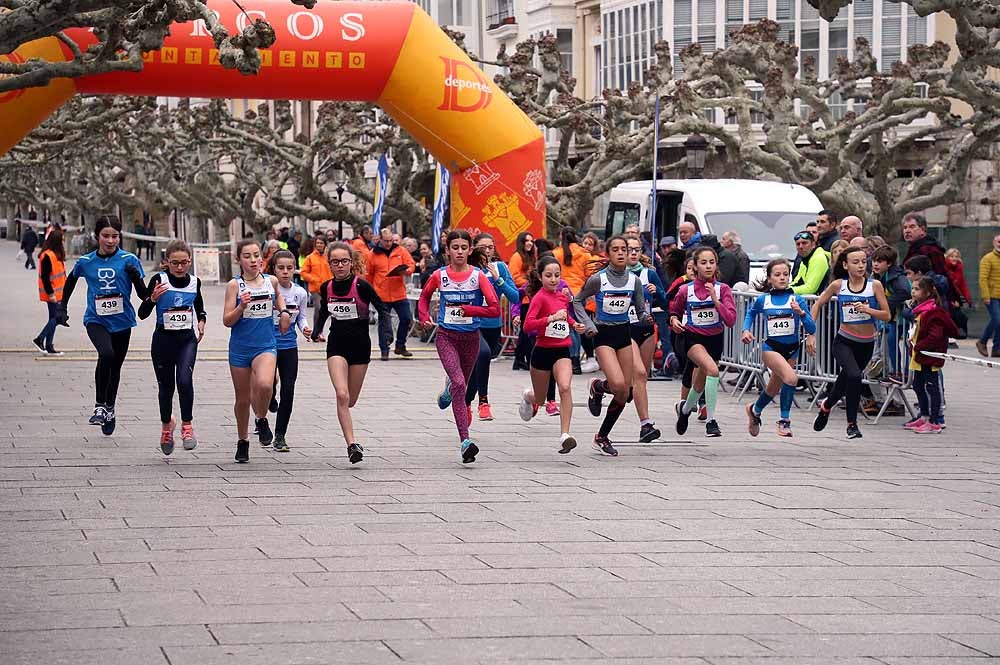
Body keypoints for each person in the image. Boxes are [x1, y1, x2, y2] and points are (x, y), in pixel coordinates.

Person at [57, 215, 147, 436]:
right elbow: (70, 281)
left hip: (123, 321)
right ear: (97, 236)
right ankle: (99, 405)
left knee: (114, 366)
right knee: (106, 354)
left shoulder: (129, 260)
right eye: (106, 236)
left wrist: (136, 278)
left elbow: (144, 295)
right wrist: (62, 308)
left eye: (115, 236)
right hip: (96, 320)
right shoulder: (86, 262)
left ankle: (110, 409)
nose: (110, 241)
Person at [417, 230, 501, 463]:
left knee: (457, 387)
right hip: (447, 337)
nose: (460, 251)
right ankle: (465, 441)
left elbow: (494, 308)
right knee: (460, 383)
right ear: (448, 251)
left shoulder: (478, 276)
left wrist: (471, 310)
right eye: (455, 247)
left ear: (470, 250)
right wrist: (424, 316)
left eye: (464, 247)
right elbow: (424, 298)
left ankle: (447, 393)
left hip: (470, 338)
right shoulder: (439, 275)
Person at [573, 235, 651, 456]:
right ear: (607, 254)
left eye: (623, 250)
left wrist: (646, 317)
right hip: (603, 334)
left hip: (624, 334)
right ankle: (599, 386)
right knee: (617, 384)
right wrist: (588, 323)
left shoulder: (634, 281)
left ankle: (602, 436)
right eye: (615, 249)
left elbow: (639, 308)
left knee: (624, 393)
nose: (620, 253)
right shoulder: (598, 279)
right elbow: (577, 301)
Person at [810, 247, 891, 439]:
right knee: (854, 375)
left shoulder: (875, 286)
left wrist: (868, 310)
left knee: (844, 382)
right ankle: (852, 424)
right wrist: (811, 333)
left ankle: (826, 406)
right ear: (845, 265)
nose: (861, 265)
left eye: (863, 261)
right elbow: (818, 304)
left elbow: (887, 315)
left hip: (866, 344)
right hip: (844, 341)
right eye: (856, 262)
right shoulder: (838, 285)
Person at [312, 242, 382, 463]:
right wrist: (317, 330)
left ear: (351, 263)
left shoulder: (362, 286)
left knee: (350, 400)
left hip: (361, 347)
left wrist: (387, 336)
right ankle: (352, 445)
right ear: (330, 264)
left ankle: (351, 437)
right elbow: (324, 309)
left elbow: (383, 308)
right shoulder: (327, 287)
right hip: (336, 346)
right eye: (335, 262)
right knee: (341, 395)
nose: (340, 265)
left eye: (344, 261)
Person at [223, 239, 291, 463]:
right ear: (239, 260)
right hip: (241, 349)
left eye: (256, 255)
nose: (253, 260)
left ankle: (261, 418)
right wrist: (241, 306)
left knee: (265, 384)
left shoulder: (270, 281)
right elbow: (227, 321)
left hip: (265, 345)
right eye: (247, 256)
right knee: (242, 400)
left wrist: (283, 312)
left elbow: (278, 296)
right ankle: (242, 441)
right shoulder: (235, 285)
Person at [137, 240, 206, 455]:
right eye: (174, 263)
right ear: (167, 262)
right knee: (166, 388)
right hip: (163, 341)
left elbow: (200, 307)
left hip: (186, 340)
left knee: (184, 381)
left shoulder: (195, 282)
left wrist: (202, 321)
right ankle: (167, 427)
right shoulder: (159, 279)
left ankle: (187, 427)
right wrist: (152, 299)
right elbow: (142, 313)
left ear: (190, 261)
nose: (179, 267)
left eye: (184, 262)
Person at [446, 232, 519, 422]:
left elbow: (515, 297)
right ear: (474, 249)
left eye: (491, 247)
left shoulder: (500, 267)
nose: (487, 251)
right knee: (483, 354)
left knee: (478, 365)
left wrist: (499, 280)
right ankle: (483, 402)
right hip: (471, 324)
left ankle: (466, 401)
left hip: (493, 325)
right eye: (483, 247)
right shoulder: (467, 270)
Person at [517, 255, 586, 453]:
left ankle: (565, 434)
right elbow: (528, 325)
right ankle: (528, 396)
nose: (553, 279)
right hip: (542, 351)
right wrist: (550, 318)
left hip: (562, 349)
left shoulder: (563, 296)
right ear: (540, 277)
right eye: (549, 275)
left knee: (565, 387)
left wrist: (575, 325)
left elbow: (566, 316)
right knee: (540, 399)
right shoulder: (538, 298)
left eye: (557, 275)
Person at [742, 259, 816, 437]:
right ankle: (784, 421)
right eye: (777, 275)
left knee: (773, 387)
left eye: (785, 274)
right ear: (769, 278)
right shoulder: (764, 299)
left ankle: (755, 410)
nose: (782, 278)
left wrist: (802, 313)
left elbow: (812, 328)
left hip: (792, 349)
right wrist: (746, 330)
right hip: (771, 348)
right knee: (791, 378)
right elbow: (751, 312)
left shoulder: (796, 299)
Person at [669, 246, 738, 438]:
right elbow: (674, 311)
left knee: (698, 386)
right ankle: (711, 421)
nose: (708, 266)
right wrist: (674, 320)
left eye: (712, 262)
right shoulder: (685, 290)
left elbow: (731, 320)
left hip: (714, 339)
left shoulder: (723, 289)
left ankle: (684, 410)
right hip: (692, 339)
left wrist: (717, 301)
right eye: (703, 262)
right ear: (695, 266)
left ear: (716, 265)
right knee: (713, 371)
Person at [625, 236, 668, 442]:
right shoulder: (615, 275)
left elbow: (665, 301)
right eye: (628, 249)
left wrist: (656, 292)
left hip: (647, 329)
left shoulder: (649, 273)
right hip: (626, 330)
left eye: (636, 250)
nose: (633, 253)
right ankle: (646, 425)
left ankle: (601, 386)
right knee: (639, 374)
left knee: (638, 379)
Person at [268, 250, 311, 453]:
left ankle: (280, 435)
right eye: (280, 268)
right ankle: (268, 397)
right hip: (267, 345)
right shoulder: (267, 290)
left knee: (289, 389)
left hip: (289, 346)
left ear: (295, 269)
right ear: (273, 269)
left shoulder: (300, 293)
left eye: (289, 268)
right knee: (267, 384)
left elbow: (301, 317)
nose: (285, 272)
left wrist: (305, 329)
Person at [902, 277, 957, 434]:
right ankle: (924, 416)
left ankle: (935, 421)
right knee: (918, 385)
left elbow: (935, 336)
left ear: (927, 292)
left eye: (917, 289)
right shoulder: (918, 310)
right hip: (919, 356)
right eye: (912, 288)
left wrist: (919, 346)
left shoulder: (933, 312)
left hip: (929, 357)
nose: (913, 292)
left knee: (931, 387)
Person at [368, 228, 416, 361]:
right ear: (380, 240)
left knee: (406, 318)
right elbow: (369, 275)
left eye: (391, 240)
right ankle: (384, 349)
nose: (389, 243)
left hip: (399, 292)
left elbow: (411, 264)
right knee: (384, 322)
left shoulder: (401, 251)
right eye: (386, 241)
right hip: (381, 293)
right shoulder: (372, 254)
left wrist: (407, 271)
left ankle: (400, 345)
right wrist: (371, 292)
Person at [553, 227, 595, 374]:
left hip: (562, 293)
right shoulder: (585, 254)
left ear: (561, 236)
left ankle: (574, 360)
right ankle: (576, 362)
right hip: (580, 294)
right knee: (578, 327)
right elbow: (590, 274)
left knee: (569, 327)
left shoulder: (557, 253)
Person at [32, 227, 67, 356]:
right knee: (57, 318)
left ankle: (49, 346)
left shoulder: (54, 255)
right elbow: (46, 278)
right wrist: (51, 294)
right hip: (52, 294)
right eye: (62, 240)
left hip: (58, 293)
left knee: (54, 318)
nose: (63, 242)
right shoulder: (48, 256)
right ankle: (40, 339)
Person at [299, 235, 332, 340]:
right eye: (317, 243)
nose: (319, 245)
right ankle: (317, 332)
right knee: (318, 308)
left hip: (328, 288)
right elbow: (303, 272)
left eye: (321, 243)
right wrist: (313, 279)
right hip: (315, 288)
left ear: (325, 245)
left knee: (327, 310)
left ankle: (319, 331)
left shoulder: (329, 257)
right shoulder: (310, 257)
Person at [978, 233, 1000, 358]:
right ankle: (982, 341)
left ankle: (997, 349)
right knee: (997, 320)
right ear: (994, 243)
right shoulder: (988, 258)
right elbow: (983, 279)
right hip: (992, 296)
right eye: (998, 241)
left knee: (998, 321)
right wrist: (985, 296)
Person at [790, 231, 830, 296]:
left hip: (825, 303)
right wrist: (781, 288)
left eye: (804, 243)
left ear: (813, 245)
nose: (800, 246)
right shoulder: (805, 259)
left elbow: (811, 288)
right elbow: (796, 282)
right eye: (798, 244)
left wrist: (787, 291)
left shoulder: (819, 258)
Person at [944, 247, 972, 338]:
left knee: (960, 316)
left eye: (956, 256)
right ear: (947, 257)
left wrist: (968, 299)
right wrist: (952, 300)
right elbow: (947, 287)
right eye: (951, 256)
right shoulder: (944, 268)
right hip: (947, 297)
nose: (954, 258)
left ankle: (957, 334)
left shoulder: (959, 268)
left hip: (956, 298)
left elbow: (962, 284)